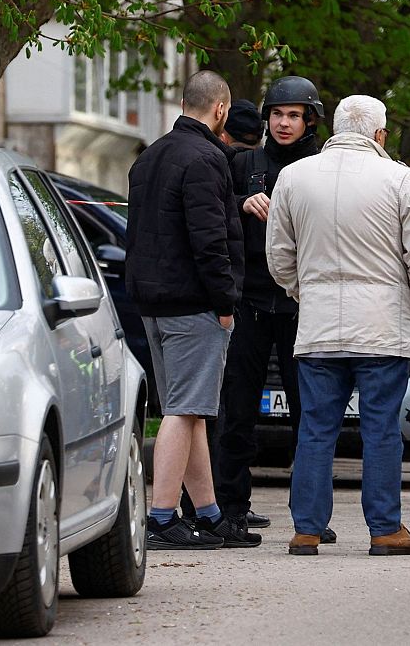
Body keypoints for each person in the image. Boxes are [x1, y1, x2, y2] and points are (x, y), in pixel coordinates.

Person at [266, 95, 410, 557]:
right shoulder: (400, 178)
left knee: (316, 428)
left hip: (319, 327)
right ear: (379, 135)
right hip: (383, 327)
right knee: (381, 430)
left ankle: (307, 528)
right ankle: (384, 529)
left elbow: (279, 256)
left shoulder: (293, 177)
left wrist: (304, 293)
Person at [126, 70, 249, 549]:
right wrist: (225, 301)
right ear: (221, 110)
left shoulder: (151, 155)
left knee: (192, 408)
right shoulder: (206, 158)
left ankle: (209, 513)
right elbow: (209, 239)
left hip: (152, 299)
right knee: (182, 410)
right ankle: (159, 517)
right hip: (193, 301)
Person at [213, 76, 325, 537]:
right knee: (237, 410)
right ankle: (230, 507)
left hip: (304, 304)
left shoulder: (322, 166)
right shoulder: (244, 163)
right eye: (278, 114)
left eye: (294, 116)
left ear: (309, 120)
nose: (284, 123)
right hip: (251, 303)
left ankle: (310, 516)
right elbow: (212, 210)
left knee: (311, 414)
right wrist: (241, 203)